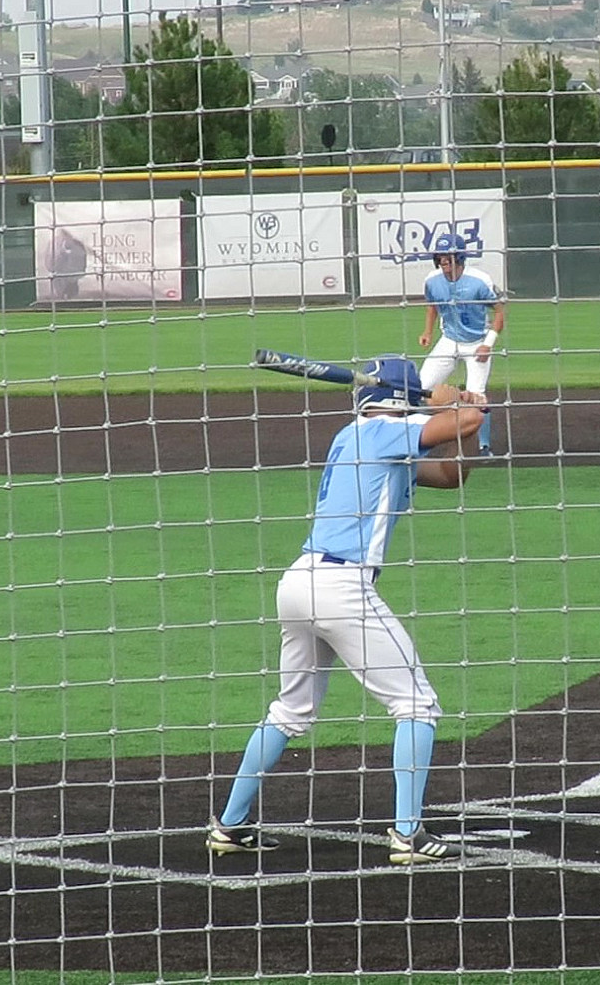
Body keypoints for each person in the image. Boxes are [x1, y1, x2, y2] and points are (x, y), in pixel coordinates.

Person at [207, 355, 487, 863]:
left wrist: (470, 419)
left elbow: (451, 475)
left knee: (290, 711)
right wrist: (457, 406)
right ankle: (408, 835)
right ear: (405, 402)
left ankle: (229, 825)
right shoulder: (381, 433)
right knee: (417, 705)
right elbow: (457, 421)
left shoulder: (360, 438)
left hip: (299, 583)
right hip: (340, 587)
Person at [418, 233, 506, 454]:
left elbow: (499, 312)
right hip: (449, 340)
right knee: (420, 388)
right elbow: (432, 306)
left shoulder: (479, 280)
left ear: (460, 257)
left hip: (477, 342)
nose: (444, 262)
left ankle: (483, 446)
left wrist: (489, 343)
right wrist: (427, 332)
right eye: (441, 257)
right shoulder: (432, 280)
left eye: (449, 257)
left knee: (477, 395)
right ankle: (419, 439)